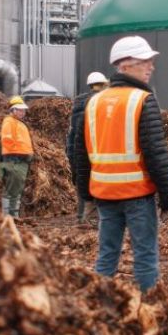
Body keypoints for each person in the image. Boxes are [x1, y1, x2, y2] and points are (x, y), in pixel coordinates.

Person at [73, 36, 168, 292]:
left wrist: (86, 194)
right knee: (145, 257)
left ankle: (100, 306)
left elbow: (80, 152)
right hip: (137, 194)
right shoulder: (142, 100)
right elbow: (156, 153)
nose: (151, 66)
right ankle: (148, 307)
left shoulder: (93, 102)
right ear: (125, 64)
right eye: (145, 62)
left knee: (106, 255)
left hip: (105, 194)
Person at [67, 71, 110, 224]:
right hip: (98, 153)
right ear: (103, 84)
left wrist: (72, 159)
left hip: (79, 153)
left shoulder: (78, 105)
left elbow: (72, 136)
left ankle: (81, 219)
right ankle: (95, 221)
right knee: (99, 188)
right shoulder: (103, 103)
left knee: (82, 185)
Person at [0, 95, 34, 218]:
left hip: (19, 162)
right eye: (20, 110)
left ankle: (12, 216)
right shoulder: (9, 122)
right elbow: (7, 141)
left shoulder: (17, 123)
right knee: (12, 192)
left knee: (15, 191)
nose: (23, 112)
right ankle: (10, 217)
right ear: (13, 110)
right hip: (14, 162)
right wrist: (21, 154)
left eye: (24, 110)